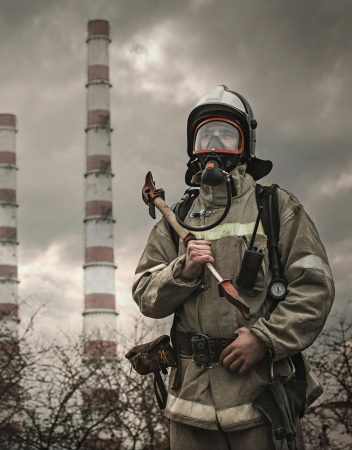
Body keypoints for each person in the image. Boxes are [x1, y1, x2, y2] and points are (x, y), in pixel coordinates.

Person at [132, 85, 335, 450]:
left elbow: (314, 287)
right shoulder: (175, 217)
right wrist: (183, 271)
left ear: (246, 146)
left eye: (225, 136)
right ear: (192, 148)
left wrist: (265, 339)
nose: (213, 146)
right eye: (204, 136)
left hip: (261, 401)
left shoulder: (277, 207)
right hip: (189, 407)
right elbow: (145, 294)